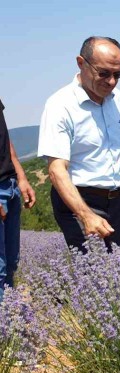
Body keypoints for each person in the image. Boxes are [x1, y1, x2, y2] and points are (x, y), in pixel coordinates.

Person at [38, 36, 120, 252]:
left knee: (119, 274)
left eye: (118, 74)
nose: (111, 81)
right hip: (81, 202)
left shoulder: (116, 98)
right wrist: (86, 215)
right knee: (93, 276)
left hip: (117, 200)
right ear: (81, 63)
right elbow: (56, 170)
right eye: (103, 73)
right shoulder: (60, 105)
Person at [0, 100, 36, 301]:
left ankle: (9, 317)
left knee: (11, 262)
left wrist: (21, 176)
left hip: (10, 184)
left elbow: (4, 138)